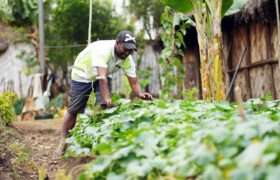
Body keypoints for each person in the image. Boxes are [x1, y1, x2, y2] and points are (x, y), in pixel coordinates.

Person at [54, 30, 153, 158]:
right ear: (117, 43)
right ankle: (63, 141)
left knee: (104, 107)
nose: (127, 53)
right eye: (125, 49)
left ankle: (100, 140)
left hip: (103, 76)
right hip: (83, 75)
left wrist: (140, 93)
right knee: (74, 109)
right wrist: (106, 97)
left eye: (130, 50)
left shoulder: (127, 59)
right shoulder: (103, 50)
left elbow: (133, 81)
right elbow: (102, 78)